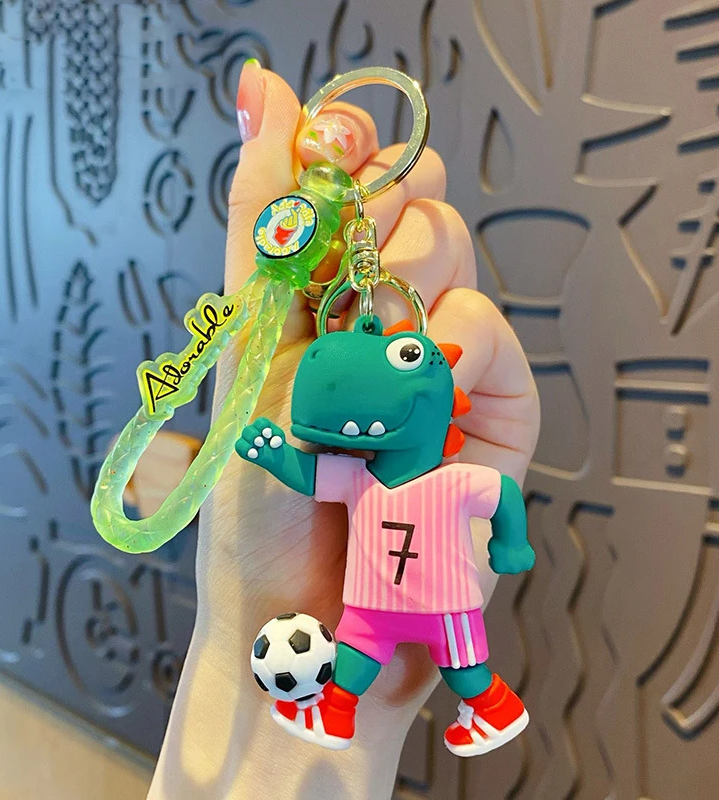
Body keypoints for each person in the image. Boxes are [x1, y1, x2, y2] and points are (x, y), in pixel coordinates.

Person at [148, 61, 540, 800]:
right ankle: (334, 712)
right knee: (355, 664)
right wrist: (273, 456)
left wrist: (509, 545)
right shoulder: (356, 480)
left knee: (466, 668)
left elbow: (501, 500)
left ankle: (492, 708)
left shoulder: (449, 482)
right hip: (367, 608)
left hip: (447, 602)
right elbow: (310, 475)